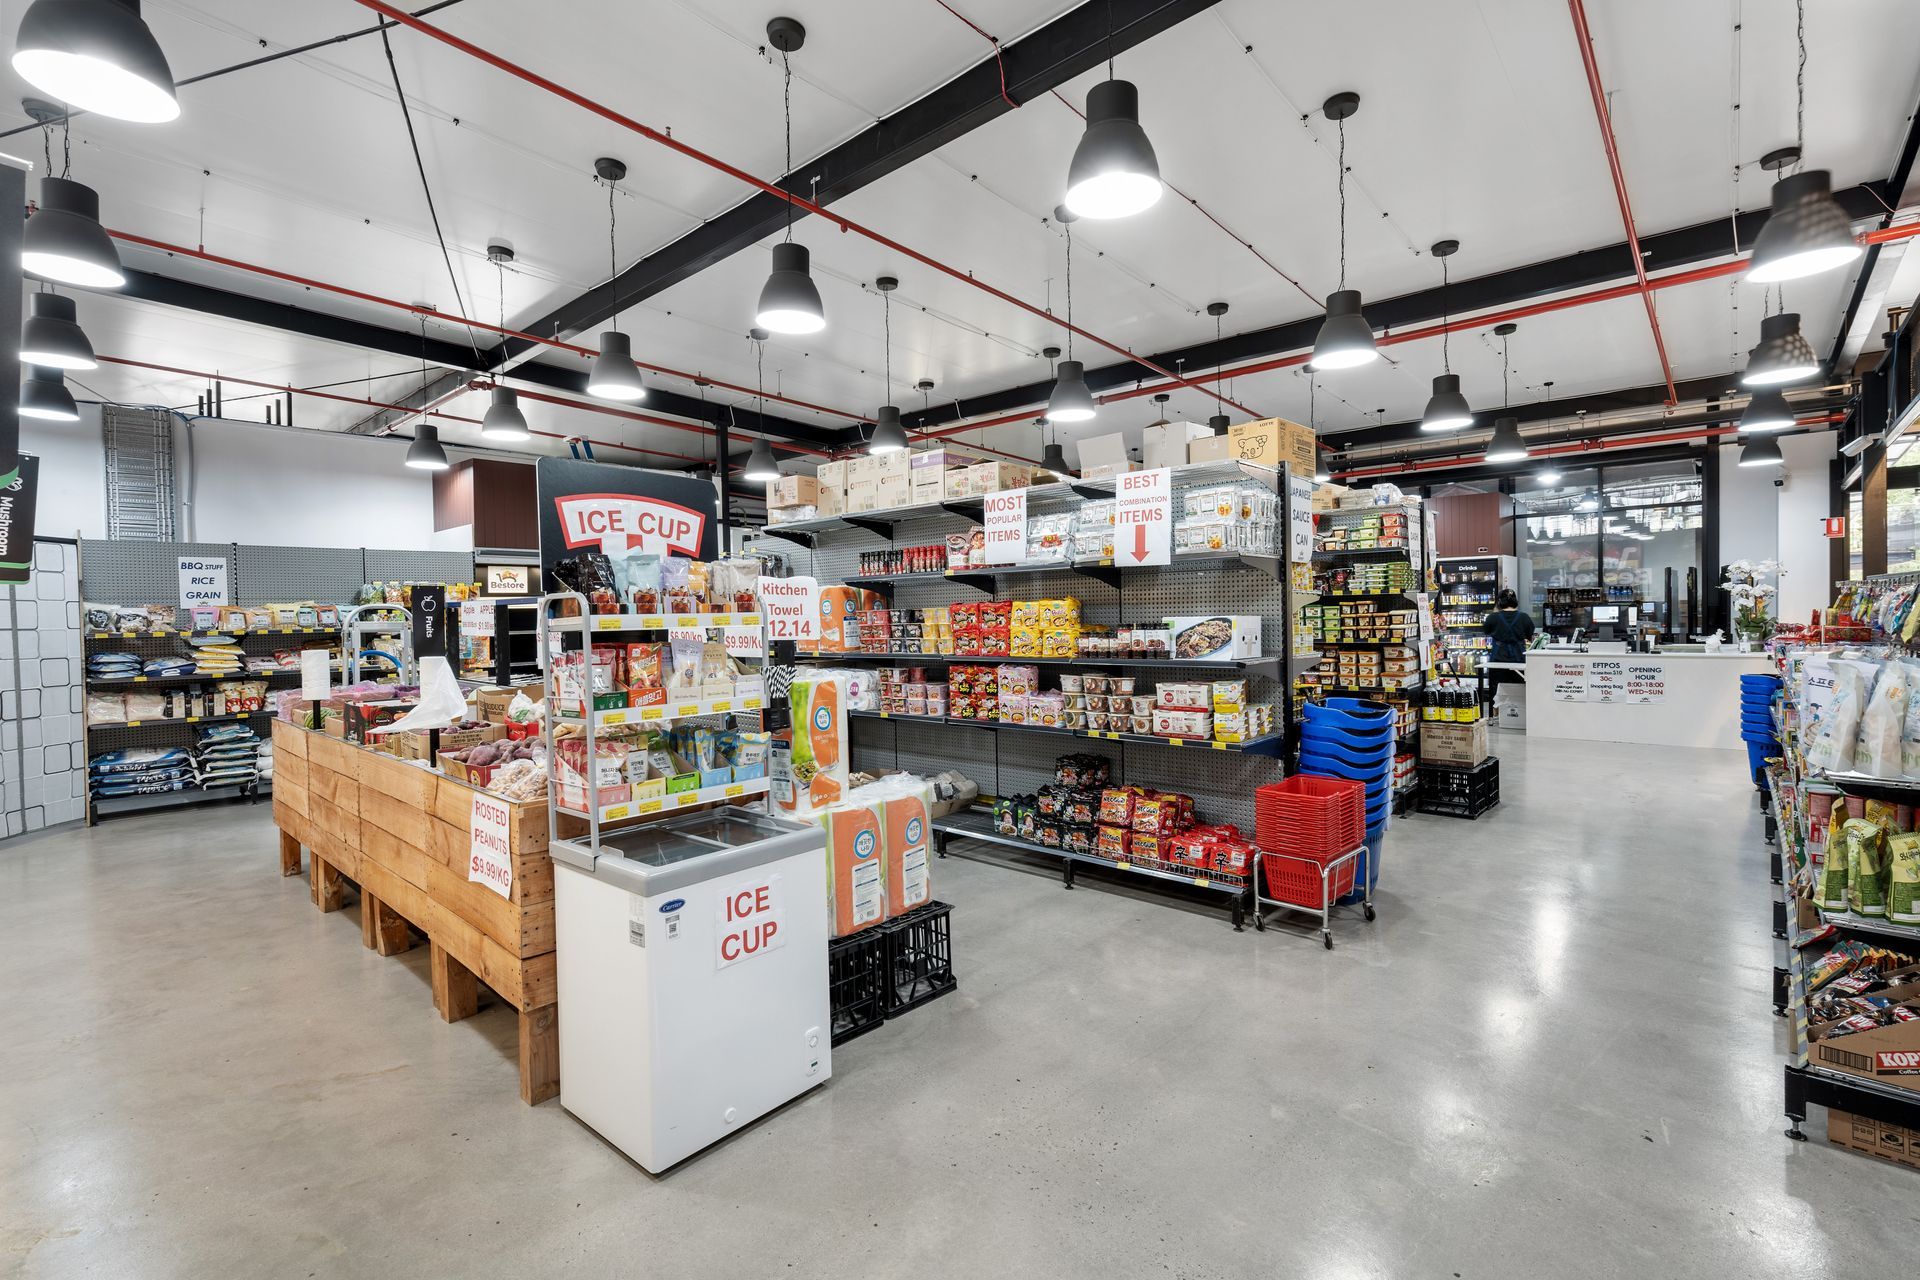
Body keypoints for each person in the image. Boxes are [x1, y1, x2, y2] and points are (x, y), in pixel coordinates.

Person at [1481, 589, 1535, 680]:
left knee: (1497, 689)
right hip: (1519, 659)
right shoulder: (1524, 617)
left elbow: (1486, 631)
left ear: (1499, 602)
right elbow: (1530, 636)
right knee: (1518, 690)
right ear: (1515, 601)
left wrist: (1496, 610)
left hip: (1498, 659)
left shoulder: (1492, 617)